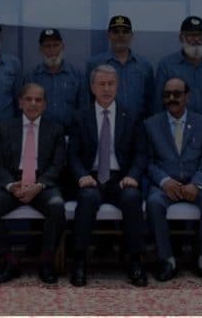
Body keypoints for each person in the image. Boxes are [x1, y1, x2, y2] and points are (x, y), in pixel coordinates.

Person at [67, 64, 147, 287]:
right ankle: (79, 261)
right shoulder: (80, 116)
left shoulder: (131, 115)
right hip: (91, 177)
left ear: (117, 86)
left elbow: (141, 153)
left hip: (121, 177)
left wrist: (133, 175)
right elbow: (72, 154)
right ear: (92, 87)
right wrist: (82, 175)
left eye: (111, 84)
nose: (106, 89)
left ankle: (135, 261)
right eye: (101, 84)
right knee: (87, 198)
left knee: (132, 198)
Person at [0, 83, 67, 284]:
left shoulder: (55, 130)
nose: (33, 103)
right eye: (28, 99)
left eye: (38, 100)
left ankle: (46, 262)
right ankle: (10, 261)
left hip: (42, 184)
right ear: (20, 103)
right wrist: (11, 185)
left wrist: (39, 185)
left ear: (45, 104)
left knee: (56, 206)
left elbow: (58, 165)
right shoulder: (4, 128)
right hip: (13, 183)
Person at [144, 77, 202, 282]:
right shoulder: (151, 125)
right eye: (167, 94)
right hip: (165, 184)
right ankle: (167, 260)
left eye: (177, 94)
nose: (171, 98)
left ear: (187, 96)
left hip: (197, 182)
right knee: (153, 202)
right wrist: (164, 181)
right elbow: (148, 161)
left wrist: (196, 184)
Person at [155, 16, 202, 116]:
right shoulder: (167, 65)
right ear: (181, 38)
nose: (197, 39)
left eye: (200, 35)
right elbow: (158, 103)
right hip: (177, 124)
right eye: (191, 35)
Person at [87, 16, 156, 121]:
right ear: (109, 35)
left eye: (125, 32)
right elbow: (88, 100)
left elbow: (151, 101)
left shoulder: (144, 66)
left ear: (131, 35)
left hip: (138, 125)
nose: (120, 35)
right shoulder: (95, 64)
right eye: (116, 32)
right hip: (105, 124)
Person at [25, 29, 84, 128]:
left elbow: (83, 107)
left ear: (63, 46)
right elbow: (26, 108)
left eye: (56, 45)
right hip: (41, 132)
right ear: (40, 49)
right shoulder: (32, 76)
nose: (52, 50)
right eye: (47, 46)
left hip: (70, 131)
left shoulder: (76, 75)